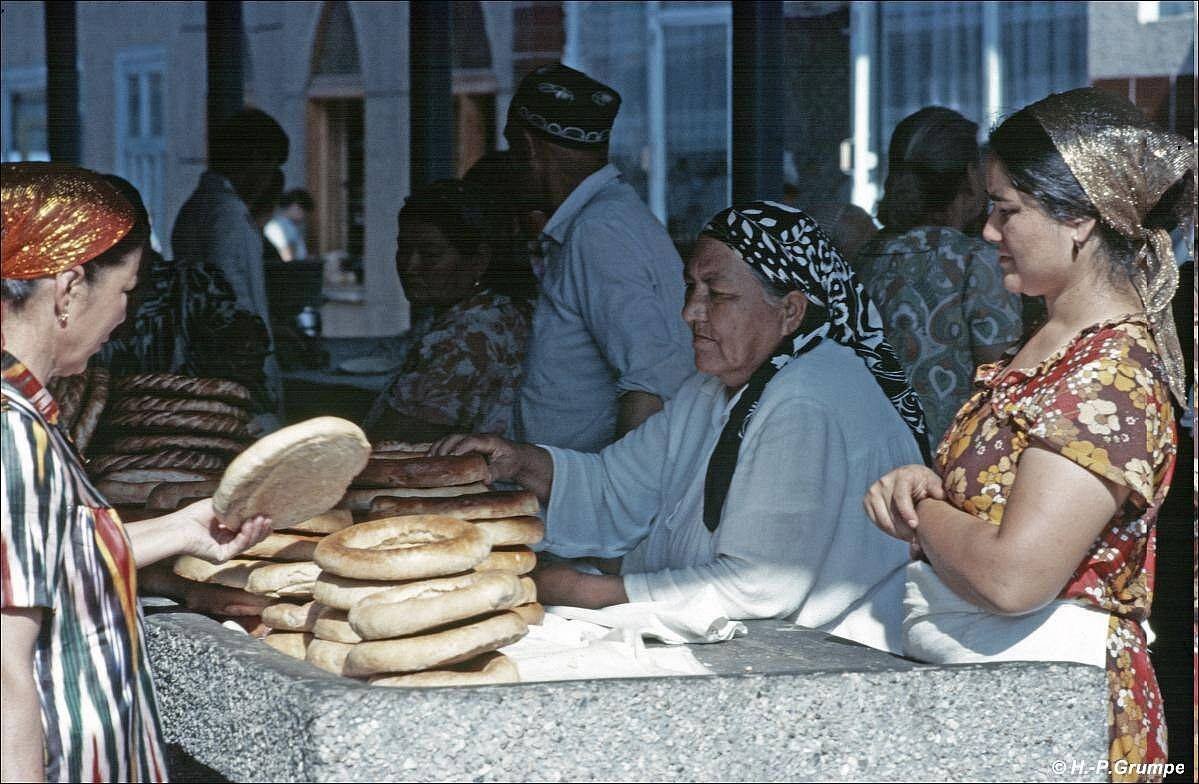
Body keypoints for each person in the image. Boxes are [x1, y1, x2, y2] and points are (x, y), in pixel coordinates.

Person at [863, 88, 1193, 779]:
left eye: (1006, 210)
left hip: (1054, 724)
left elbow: (1014, 577)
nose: (987, 231)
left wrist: (922, 514)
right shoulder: (1047, 342)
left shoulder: (1107, 375)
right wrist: (930, 488)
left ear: (1076, 218)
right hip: (1005, 705)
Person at [434, 202, 927, 652]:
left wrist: (581, 590)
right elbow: (616, 484)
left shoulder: (808, 396)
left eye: (719, 295)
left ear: (791, 310)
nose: (691, 312)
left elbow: (758, 586)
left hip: (835, 658)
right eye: (691, 288)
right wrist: (518, 462)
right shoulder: (716, 388)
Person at [1, 163, 273, 782]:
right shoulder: (10, 431)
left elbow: (40, 558)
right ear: (68, 289)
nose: (125, 317)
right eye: (125, 291)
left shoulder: (23, 415)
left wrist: (182, 529)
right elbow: (2, 671)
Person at [503, 63, 694, 452]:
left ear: (529, 147)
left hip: (585, 499)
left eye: (512, 149)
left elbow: (651, 381)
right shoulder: (607, 218)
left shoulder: (598, 230)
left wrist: (617, 501)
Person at [855, 107, 1024, 445]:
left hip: (872, 453)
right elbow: (1004, 379)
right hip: (947, 460)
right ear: (969, 176)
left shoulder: (866, 257)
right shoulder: (977, 260)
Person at [362, 175, 536, 442]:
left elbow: (392, 447)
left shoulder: (465, 337)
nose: (410, 266)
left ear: (479, 259)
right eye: (403, 249)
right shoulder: (501, 311)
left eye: (430, 254)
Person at [172, 108, 290, 430]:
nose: (269, 179)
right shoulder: (227, 214)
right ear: (254, 158)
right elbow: (239, 302)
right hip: (236, 371)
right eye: (269, 165)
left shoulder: (198, 207)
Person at [264, 188, 314, 262]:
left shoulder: (287, 225)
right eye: (304, 211)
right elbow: (289, 258)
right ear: (296, 206)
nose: (304, 216)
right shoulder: (281, 226)